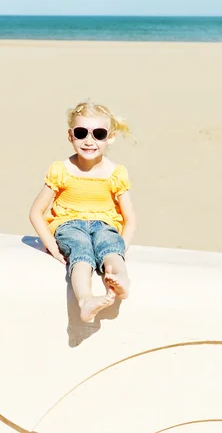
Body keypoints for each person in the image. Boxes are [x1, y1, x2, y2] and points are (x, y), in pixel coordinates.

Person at [29, 100, 137, 322]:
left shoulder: (115, 173)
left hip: (105, 224)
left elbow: (130, 218)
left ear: (111, 137)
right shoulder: (62, 170)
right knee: (81, 253)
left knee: (110, 247)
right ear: (70, 136)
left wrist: (121, 247)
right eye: (81, 133)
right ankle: (85, 299)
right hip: (69, 224)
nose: (89, 141)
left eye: (98, 134)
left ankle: (121, 279)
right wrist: (53, 247)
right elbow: (36, 212)